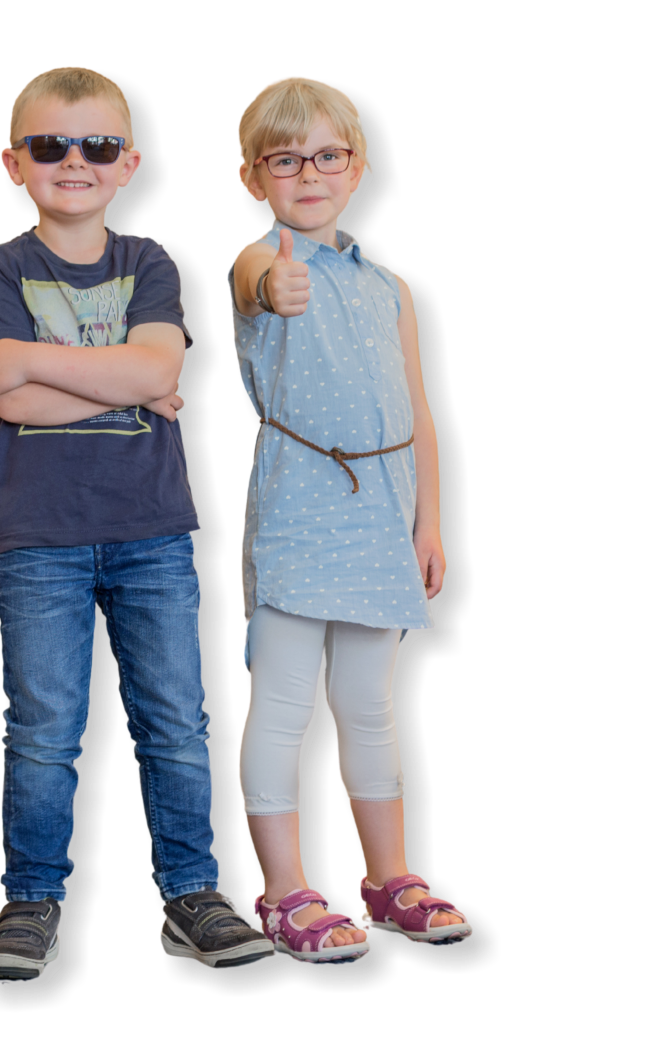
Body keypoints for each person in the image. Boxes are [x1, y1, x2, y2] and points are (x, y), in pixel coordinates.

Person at [0, 66, 275, 980]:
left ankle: (191, 893)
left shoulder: (148, 262)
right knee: (42, 728)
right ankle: (31, 899)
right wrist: (123, 382)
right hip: (37, 536)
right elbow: (13, 400)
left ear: (128, 163)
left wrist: (40, 365)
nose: (75, 161)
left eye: (97, 145)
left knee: (175, 722)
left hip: (152, 530)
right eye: (50, 145)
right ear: (14, 162)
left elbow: (152, 372)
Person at [228, 76, 475, 962]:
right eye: (284, 160)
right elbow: (256, 285)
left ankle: (388, 880)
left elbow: (418, 410)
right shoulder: (260, 259)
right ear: (254, 177)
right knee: (282, 703)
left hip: (382, 517)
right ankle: (285, 891)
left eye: (327, 156)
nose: (309, 174)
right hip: (298, 509)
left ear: (358, 166)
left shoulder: (389, 287)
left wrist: (428, 522)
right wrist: (274, 285)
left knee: (369, 703)